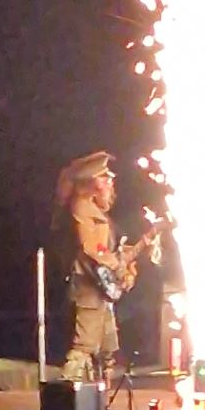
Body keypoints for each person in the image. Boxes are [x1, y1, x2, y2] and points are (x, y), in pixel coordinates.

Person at [51, 151, 136, 388]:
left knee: (107, 348)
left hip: (100, 291)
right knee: (85, 345)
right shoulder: (82, 208)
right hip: (88, 287)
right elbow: (92, 249)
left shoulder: (97, 212)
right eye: (105, 177)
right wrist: (115, 265)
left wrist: (124, 268)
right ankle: (68, 392)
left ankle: (99, 398)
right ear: (91, 181)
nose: (110, 182)